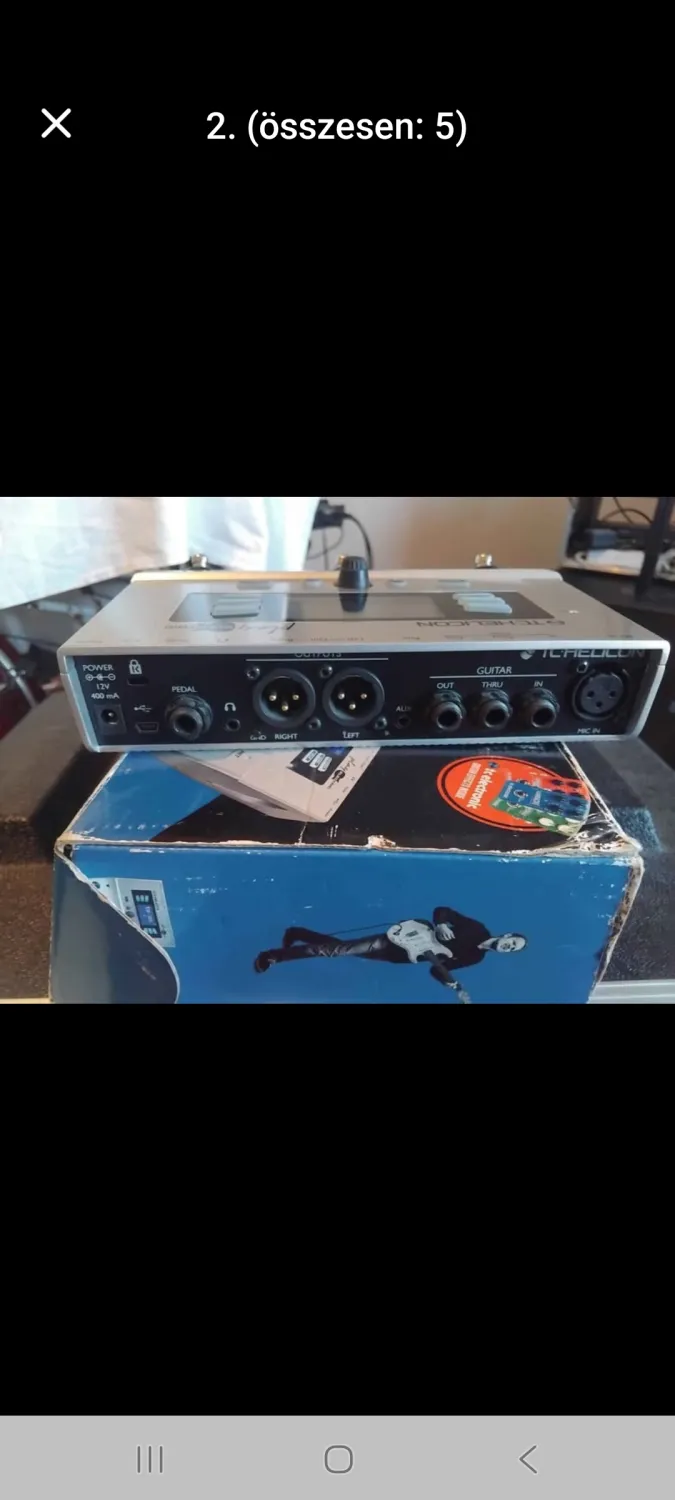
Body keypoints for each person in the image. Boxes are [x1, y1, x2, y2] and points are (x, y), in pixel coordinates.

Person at [254, 906, 527, 999]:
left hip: (401, 956)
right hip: (398, 939)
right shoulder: (477, 929)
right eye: (512, 942)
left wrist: (449, 982)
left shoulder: (475, 958)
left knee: (339, 949)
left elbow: (437, 969)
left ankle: (298, 933)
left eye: (513, 950)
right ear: (507, 935)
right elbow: (443, 911)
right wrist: (442, 924)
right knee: (337, 951)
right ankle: (272, 956)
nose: (509, 947)